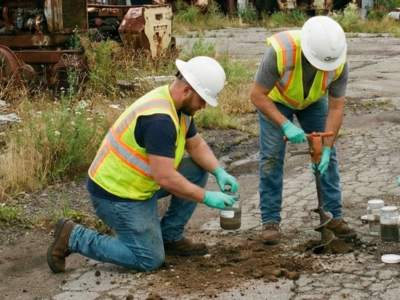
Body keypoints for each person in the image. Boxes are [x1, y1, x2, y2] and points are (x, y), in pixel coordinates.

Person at [47, 56, 239, 273]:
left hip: (139, 185)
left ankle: (170, 238)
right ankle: (74, 237)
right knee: (149, 258)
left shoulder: (178, 106)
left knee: (197, 169)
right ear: (187, 90)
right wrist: (206, 197)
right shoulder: (159, 120)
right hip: (116, 196)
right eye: (203, 99)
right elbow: (165, 177)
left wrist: (218, 170)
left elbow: (195, 145)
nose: (204, 106)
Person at [249, 16, 357, 245]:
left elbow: (336, 107)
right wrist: (285, 124)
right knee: (271, 158)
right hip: (275, 100)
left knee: (327, 156)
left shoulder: (338, 60)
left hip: (313, 102)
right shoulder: (281, 51)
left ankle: (334, 217)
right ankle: (270, 220)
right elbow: (256, 95)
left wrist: (326, 148)